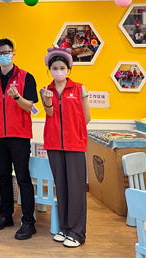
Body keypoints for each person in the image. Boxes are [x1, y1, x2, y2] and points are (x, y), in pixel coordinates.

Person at [0, 37, 38, 240]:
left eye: (6, 52)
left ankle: (28, 222)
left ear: (13, 54)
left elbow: (29, 107)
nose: (3, 56)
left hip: (19, 136)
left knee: (23, 178)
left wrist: (16, 96)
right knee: (4, 177)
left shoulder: (26, 77)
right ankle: (6, 216)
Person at [40, 47, 91, 248]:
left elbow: (87, 117)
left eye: (62, 68)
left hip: (75, 145)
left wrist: (73, 133)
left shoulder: (79, 89)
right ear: (49, 70)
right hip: (54, 144)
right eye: (55, 68)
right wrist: (47, 100)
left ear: (68, 69)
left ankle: (77, 233)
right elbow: (49, 114)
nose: (58, 71)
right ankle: (64, 228)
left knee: (76, 189)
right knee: (60, 187)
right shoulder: (46, 90)